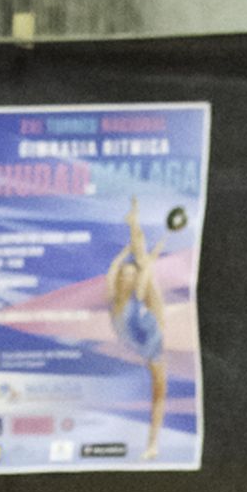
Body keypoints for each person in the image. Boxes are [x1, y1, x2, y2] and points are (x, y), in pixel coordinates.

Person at [104, 196, 168, 460]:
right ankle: (135, 223)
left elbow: (119, 270)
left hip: (151, 330)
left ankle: (152, 444)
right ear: (122, 280)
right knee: (144, 263)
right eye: (126, 275)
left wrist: (141, 255)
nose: (127, 277)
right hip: (148, 342)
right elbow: (115, 271)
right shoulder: (119, 297)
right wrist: (132, 257)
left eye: (130, 275)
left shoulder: (124, 295)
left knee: (143, 261)